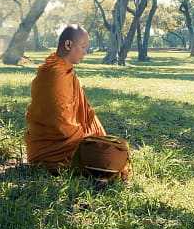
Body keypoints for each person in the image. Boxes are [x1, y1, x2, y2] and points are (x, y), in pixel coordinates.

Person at [24, 24, 129, 179]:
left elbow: (85, 112)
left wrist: (91, 137)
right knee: (112, 156)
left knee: (115, 150)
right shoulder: (54, 74)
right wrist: (85, 140)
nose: (85, 53)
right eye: (83, 47)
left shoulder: (65, 70)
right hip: (53, 150)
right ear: (68, 44)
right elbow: (60, 123)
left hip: (68, 140)